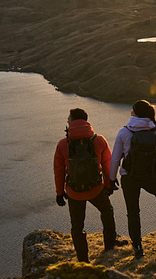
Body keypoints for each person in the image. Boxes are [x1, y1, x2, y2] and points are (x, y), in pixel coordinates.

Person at [109, 100, 156, 257]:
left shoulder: (124, 132)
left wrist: (111, 179)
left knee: (133, 212)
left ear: (133, 112)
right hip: (149, 177)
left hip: (129, 178)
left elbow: (115, 159)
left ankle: (138, 247)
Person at [53, 108, 117, 262]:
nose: (67, 120)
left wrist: (59, 193)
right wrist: (108, 185)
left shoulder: (63, 144)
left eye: (69, 118)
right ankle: (109, 245)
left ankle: (83, 259)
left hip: (74, 191)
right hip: (95, 188)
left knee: (77, 226)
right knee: (107, 212)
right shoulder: (99, 140)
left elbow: (59, 171)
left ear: (72, 121)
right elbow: (108, 166)